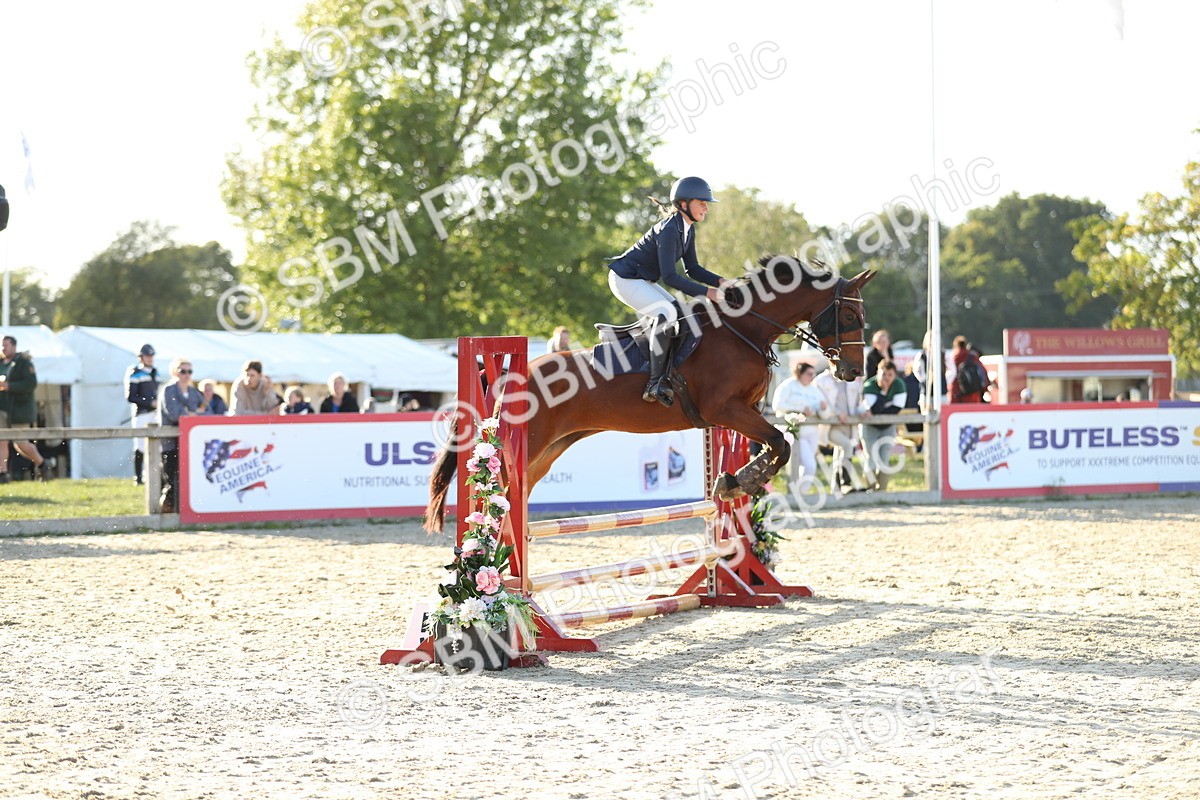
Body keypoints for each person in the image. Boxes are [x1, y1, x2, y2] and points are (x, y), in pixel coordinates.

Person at [606, 176, 734, 406]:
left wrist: (721, 281)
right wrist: (708, 293)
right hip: (625, 279)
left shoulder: (687, 229)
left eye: (706, 203)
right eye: (701, 203)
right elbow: (670, 277)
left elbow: (693, 269)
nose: (706, 207)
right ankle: (654, 383)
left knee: (681, 314)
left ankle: (669, 371)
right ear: (683, 204)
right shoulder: (669, 230)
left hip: (641, 279)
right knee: (667, 313)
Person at [771, 362, 829, 493]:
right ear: (799, 373)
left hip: (812, 432)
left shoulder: (814, 390)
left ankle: (799, 492)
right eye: (809, 374)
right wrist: (800, 409)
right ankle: (800, 493)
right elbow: (777, 405)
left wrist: (824, 408)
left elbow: (825, 414)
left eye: (813, 374)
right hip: (796, 433)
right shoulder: (788, 385)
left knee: (805, 465)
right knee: (810, 466)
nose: (812, 377)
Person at [813, 368, 873, 495]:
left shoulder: (852, 381)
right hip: (830, 426)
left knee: (841, 453)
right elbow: (821, 403)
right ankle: (845, 482)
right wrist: (837, 413)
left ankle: (836, 487)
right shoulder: (822, 380)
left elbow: (857, 403)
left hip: (847, 426)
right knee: (847, 446)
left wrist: (864, 411)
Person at [0, 335, 51, 482]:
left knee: (20, 444)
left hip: (18, 410)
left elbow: (30, 384)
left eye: (6, 345)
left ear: (14, 346)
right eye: (2, 345)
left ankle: (42, 464)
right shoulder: (1, 363)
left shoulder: (23, 362)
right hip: (2, 408)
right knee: (1, 440)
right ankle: (2, 474)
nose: (3, 348)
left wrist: (10, 386)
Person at [158, 358, 203, 513]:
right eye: (182, 371)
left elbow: (205, 410)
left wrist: (192, 414)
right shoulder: (168, 390)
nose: (186, 375)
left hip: (189, 443)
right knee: (172, 479)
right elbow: (174, 413)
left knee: (188, 479)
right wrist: (191, 414)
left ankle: (185, 513)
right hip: (170, 443)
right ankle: (167, 513)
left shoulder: (193, 392)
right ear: (174, 372)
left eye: (189, 371)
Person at [860, 359, 907, 491]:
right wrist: (884, 393)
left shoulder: (899, 385)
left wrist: (881, 404)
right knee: (871, 458)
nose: (886, 378)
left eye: (890, 375)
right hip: (870, 427)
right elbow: (875, 410)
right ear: (877, 373)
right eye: (883, 374)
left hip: (888, 426)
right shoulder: (869, 385)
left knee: (884, 458)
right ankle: (869, 489)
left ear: (895, 375)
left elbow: (895, 409)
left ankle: (881, 491)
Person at [124, 343, 159, 484]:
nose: (150, 358)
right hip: (142, 413)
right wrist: (150, 403)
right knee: (140, 446)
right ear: (141, 357)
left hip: (155, 413)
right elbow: (131, 397)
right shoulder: (135, 373)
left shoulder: (155, 372)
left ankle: (152, 474)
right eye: (147, 356)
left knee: (155, 444)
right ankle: (138, 477)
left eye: (151, 356)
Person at [949, 336, 987, 404]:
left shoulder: (952, 356)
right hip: (973, 391)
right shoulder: (972, 357)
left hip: (956, 390)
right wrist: (984, 388)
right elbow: (983, 372)